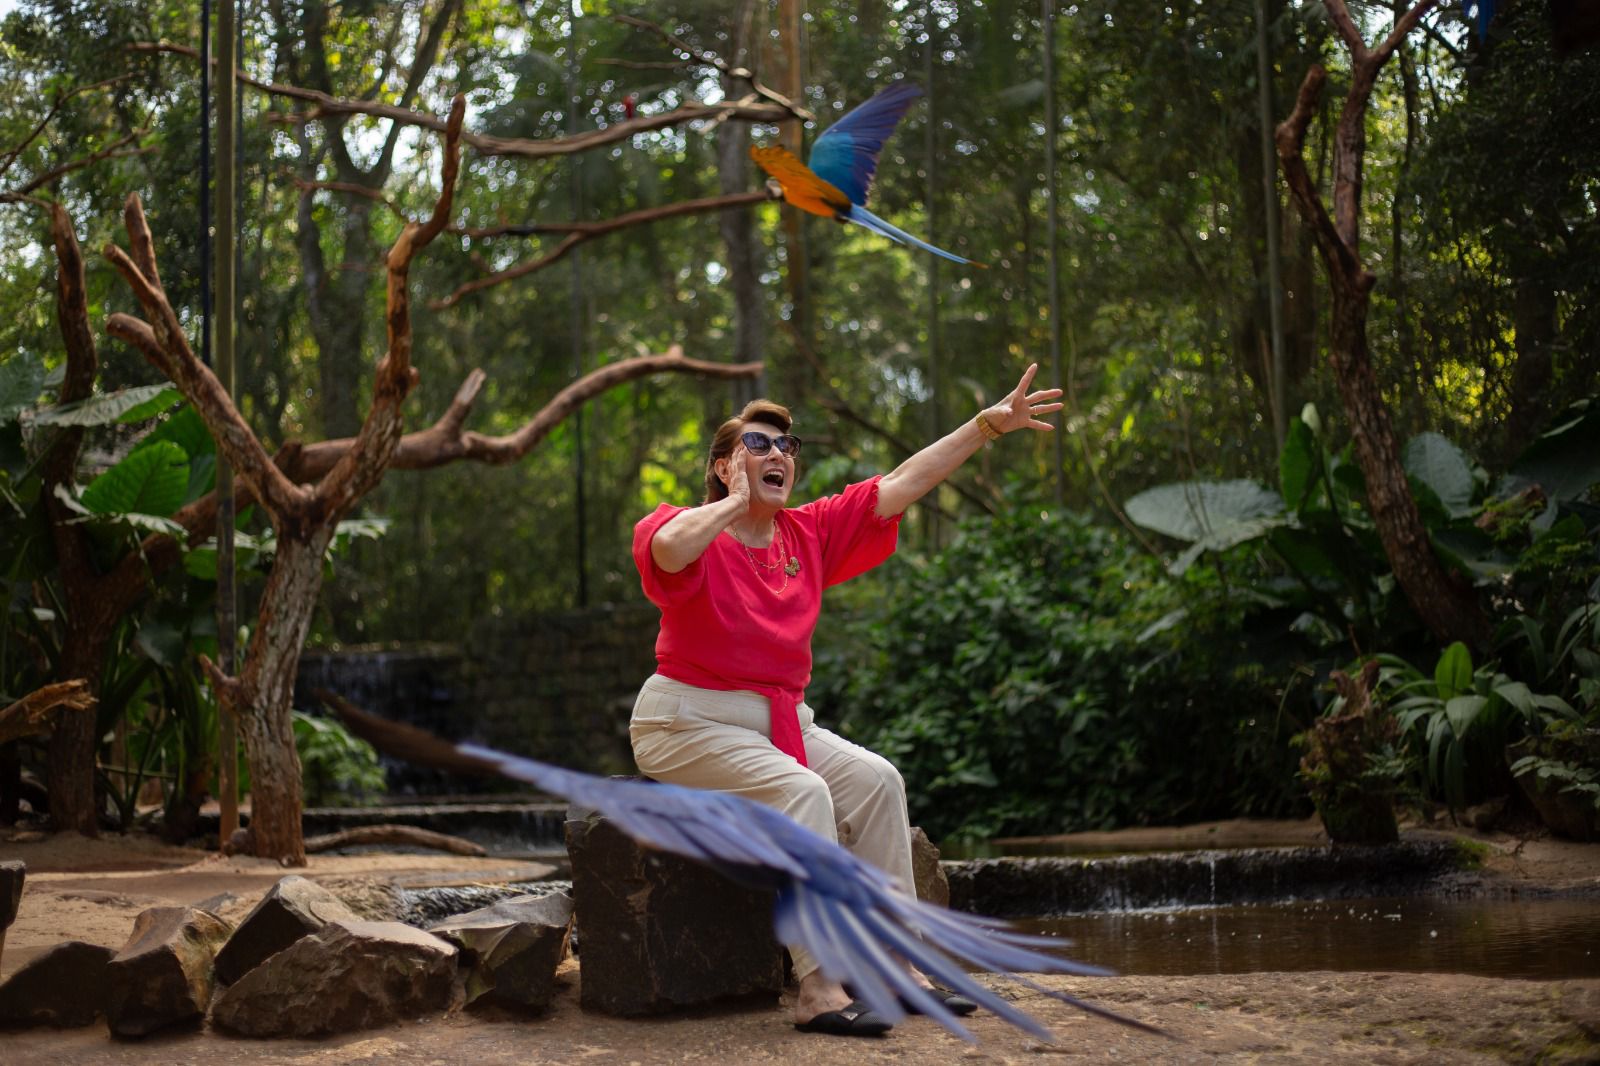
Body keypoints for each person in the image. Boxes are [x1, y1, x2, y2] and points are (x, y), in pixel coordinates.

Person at [629, 364, 1063, 1037]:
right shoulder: (689, 525)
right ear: (722, 466)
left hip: (780, 724)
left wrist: (986, 426)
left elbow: (903, 482)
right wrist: (732, 505)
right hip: (683, 722)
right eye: (757, 445)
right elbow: (667, 550)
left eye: (787, 445)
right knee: (803, 792)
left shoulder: (807, 533)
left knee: (878, 781)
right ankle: (818, 986)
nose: (778, 454)